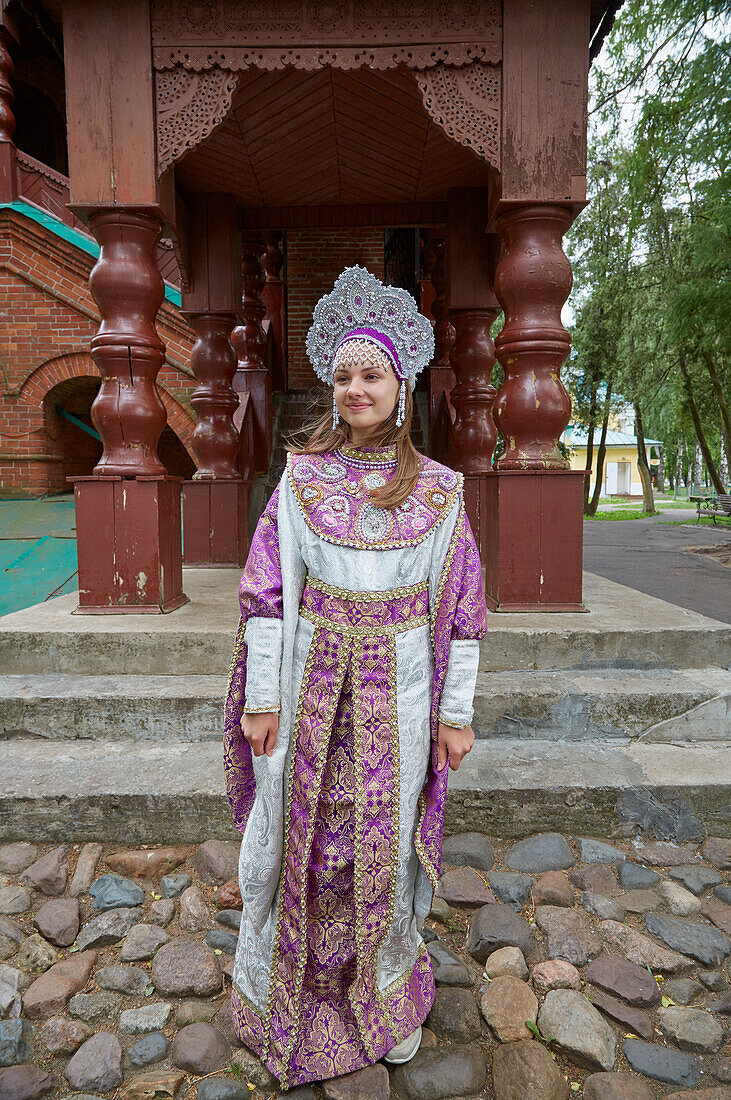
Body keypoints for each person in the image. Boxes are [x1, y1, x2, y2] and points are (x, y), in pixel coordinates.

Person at [223, 265, 487, 1091]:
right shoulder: (299, 481)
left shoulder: (440, 494)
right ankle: (289, 992)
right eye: (341, 376)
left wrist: (453, 713)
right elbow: (266, 594)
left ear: (400, 386)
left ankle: (381, 994)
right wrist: (262, 700)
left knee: (381, 846)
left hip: (399, 701)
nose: (354, 389)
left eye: (370, 374)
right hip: (309, 696)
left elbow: (464, 611)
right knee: (304, 840)